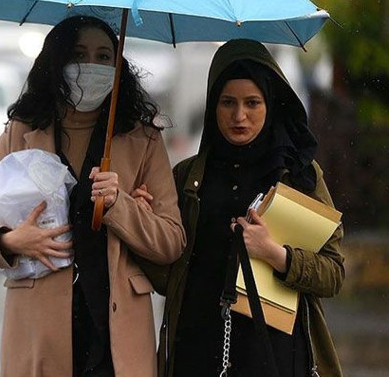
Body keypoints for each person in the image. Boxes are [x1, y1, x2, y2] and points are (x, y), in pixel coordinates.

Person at [0, 15, 186, 377]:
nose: (91, 67)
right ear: (58, 61)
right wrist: (12, 240)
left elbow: (172, 242)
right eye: (79, 55)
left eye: (103, 57)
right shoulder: (22, 131)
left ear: (118, 66)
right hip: (39, 329)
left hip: (116, 335)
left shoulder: (143, 140)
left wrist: (121, 206)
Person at [147, 39, 344, 376]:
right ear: (213, 106)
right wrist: (145, 222)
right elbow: (167, 280)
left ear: (271, 104)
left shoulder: (299, 176)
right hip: (197, 351)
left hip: (275, 356)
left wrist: (274, 253)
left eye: (253, 103)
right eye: (228, 103)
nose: (240, 116)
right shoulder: (188, 176)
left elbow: (333, 274)